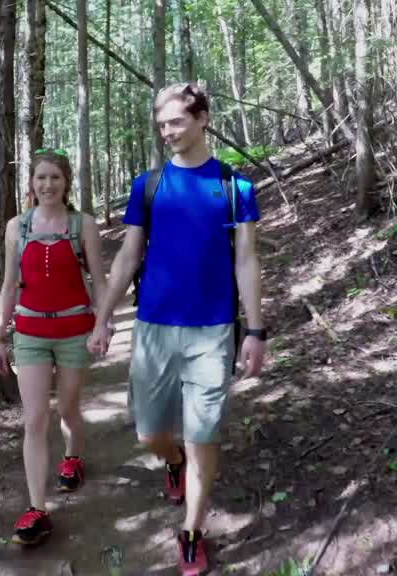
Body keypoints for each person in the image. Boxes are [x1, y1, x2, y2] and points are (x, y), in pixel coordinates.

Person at [88, 82, 267, 575]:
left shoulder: (235, 187)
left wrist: (255, 331)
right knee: (150, 432)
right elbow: (127, 256)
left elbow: (247, 261)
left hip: (213, 330)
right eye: (161, 124)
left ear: (202, 118)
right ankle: (172, 464)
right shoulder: (148, 185)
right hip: (153, 328)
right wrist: (103, 317)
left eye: (176, 122)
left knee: (202, 432)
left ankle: (191, 530)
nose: (167, 132)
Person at [0, 148, 108, 547]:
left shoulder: (83, 224)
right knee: (35, 418)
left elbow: (100, 280)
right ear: (32, 183)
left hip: (76, 330)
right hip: (30, 335)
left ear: (66, 182)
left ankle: (72, 456)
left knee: (69, 409)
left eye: (55, 178)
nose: (47, 185)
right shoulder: (15, 227)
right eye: (41, 178)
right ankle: (37, 509)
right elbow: (8, 284)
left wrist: (103, 323)